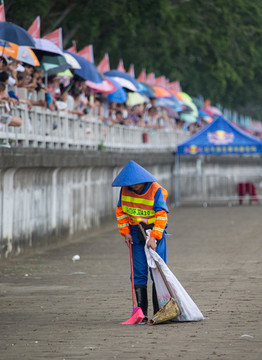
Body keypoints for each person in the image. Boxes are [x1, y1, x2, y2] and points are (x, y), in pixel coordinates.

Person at [112, 160, 169, 323]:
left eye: (136, 184)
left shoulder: (155, 190)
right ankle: (141, 313)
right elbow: (121, 212)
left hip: (154, 233)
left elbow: (161, 215)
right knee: (138, 273)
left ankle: (160, 311)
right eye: (130, 184)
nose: (133, 187)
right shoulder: (125, 190)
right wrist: (125, 233)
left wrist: (154, 237)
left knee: (157, 271)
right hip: (136, 234)